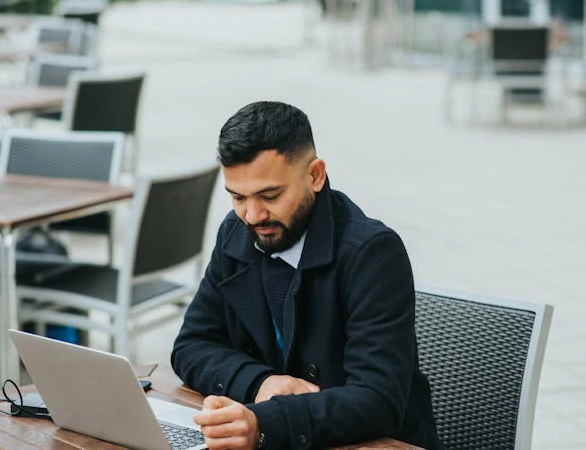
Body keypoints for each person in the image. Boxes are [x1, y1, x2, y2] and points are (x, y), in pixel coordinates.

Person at [171, 101, 442, 450]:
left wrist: (264, 423)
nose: (252, 215)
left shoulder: (373, 253)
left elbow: (378, 399)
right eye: (237, 197)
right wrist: (260, 383)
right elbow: (190, 346)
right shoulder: (235, 234)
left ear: (315, 175)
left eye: (270, 195)